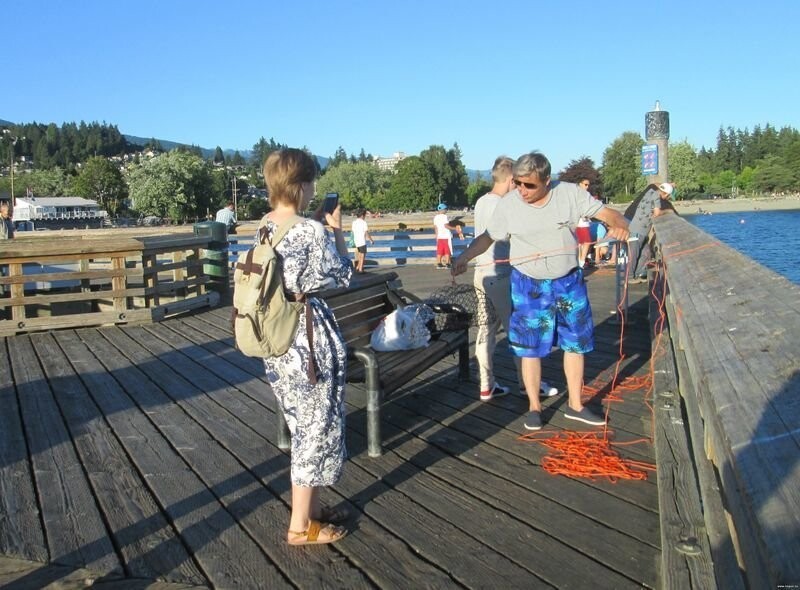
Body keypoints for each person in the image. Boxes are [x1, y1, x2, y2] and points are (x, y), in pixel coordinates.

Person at [452, 152, 630, 431]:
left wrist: (619, 225)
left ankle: (575, 405)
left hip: (568, 281)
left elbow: (607, 214)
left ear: (547, 180)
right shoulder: (509, 204)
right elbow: (487, 237)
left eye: (530, 185)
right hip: (529, 284)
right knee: (529, 348)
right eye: (519, 183)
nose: (522, 190)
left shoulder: (569, 194)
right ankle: (534, 407)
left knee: (575, 344)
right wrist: (463, 257)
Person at [259, 148, 353, 545]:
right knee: (316, 429)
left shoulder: (264, 225)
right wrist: (334, 231)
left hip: (277, 338)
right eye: (311, 182)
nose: (314, 190)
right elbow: (343, 276)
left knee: (303, 425)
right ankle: (300, 525)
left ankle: (311, 508)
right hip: (308, 341)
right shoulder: (312, 231)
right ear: (300, 185)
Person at [472, 156, 558, 402]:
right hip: (500, 276)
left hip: (481, 273)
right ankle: (528, 384)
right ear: (510, 179)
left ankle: (486, 385)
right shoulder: (503, 204)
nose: (520, 188)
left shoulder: (480, 202)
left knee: (486, 331)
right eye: (518, 182)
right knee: (519, 331)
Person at [625, 182, 674, 282]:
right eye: (668, 196)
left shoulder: (650, 192)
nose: (668, 198)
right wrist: (668, 211)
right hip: (638, 230)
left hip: (641, 230)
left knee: (646, 252)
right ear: (666, 194)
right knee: (634, 253)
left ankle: (638, 274)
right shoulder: (656, 197)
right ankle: (629, 277)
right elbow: (657, 213)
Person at [433, 203, 463, 269]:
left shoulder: (435, 217)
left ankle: (439, 263)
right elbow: (446, 226)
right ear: (443, 210)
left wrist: (436, 236)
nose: (446, 210)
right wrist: (455, 228)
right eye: (446, 209)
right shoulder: (444, 217)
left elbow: (435, 228)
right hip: (446, 236)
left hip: (439, 237)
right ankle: (448, 263)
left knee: (440, 250)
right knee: (447, 250)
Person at [351, 209, 374, 274]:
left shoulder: (354, 222)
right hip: (362, 241)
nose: (365, 216)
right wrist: (371, 240)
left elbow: (352, 232)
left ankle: (358, 267)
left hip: (356, 241)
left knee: (359, 255)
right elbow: (366, 233)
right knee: (362, 255)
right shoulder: (363, 223)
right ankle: (360, 269)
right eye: (364, 215)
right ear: (362, 215)